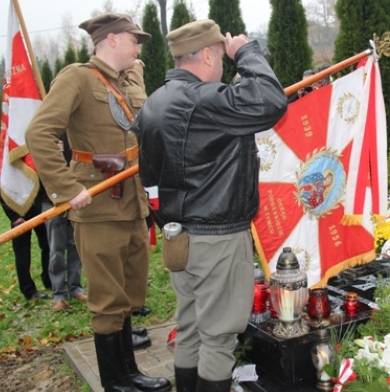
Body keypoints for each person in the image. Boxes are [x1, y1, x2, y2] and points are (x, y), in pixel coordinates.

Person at [133, 19, 288, 392]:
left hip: (179, 238)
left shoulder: (155, 102)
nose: (222, 64)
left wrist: (169, 222)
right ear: (206, 54)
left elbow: (149, 180)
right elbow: (271, 101)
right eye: (220, 56)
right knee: (219, 337)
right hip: (217, 236)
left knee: (189, 327)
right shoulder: (203, 99)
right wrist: (247, 53)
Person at [25, 13, 170, 392]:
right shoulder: (77, 77)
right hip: (98, 206)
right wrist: (67, 187)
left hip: (132, 203)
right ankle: (116, 382)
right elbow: (39, 133)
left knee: (127, 295)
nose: (138, 49)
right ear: (113, 40)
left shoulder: (125, 81)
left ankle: (130, 373)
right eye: (134, 40)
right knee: (107, 300)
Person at [0, 152, 51, 301]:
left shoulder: (32, 146)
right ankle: (28, 290)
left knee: (48, 245)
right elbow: (2, 185)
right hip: (18, 210)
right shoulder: (5, 151)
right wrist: (13, 216)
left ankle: (49, 280)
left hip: (40, 206)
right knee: (22, 252)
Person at [42, 136, 87, 312]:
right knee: (56, 250)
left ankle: (76, 288)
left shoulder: (73, 134)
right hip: (52, 201)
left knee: (75, 245)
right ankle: (58, 295)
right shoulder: (44, 136)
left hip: (75, 198)